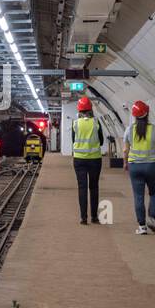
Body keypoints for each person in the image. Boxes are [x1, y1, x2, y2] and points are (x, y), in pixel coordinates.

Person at [123, 100, 155, 235]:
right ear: (147, 113)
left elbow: (125, 150)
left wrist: (125, 163)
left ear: (134, 116)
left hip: (135, 167)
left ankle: (142, 226)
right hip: (151, 166)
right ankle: (152, 217)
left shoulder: (129, 130)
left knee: (138, 196)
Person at [72, 96, 104, 225]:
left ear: (79, 110)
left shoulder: (75, 123)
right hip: (95, 159)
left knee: (82, 187)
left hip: (79, 160)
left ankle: (83, 218)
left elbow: (73, 141)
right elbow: (101, 141)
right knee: (94, 187)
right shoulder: (96, 122)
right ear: (91, 109)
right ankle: (94, 217)